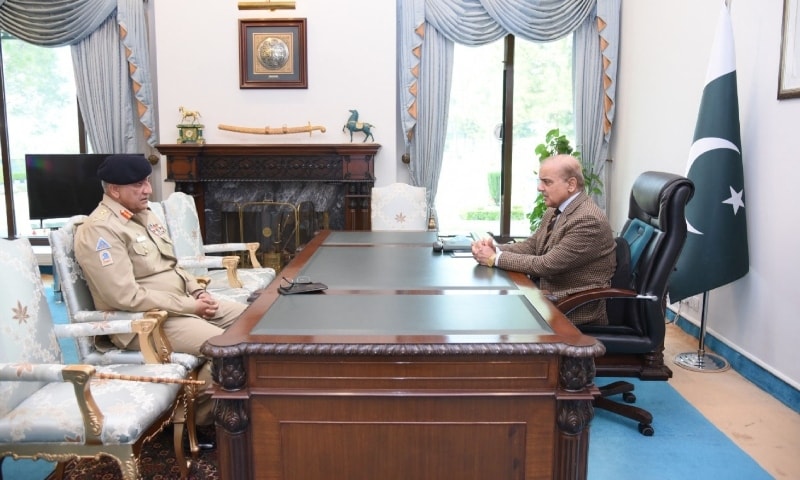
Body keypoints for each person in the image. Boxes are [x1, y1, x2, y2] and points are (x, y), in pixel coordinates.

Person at [73, 153, 246, 439]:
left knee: (253, 323)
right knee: (225, 348)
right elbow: (124, 296)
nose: (148, 190)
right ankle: (198, 419)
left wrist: (197, 289)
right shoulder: (100, 230)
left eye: (147, 182)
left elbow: (172, 264)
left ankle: (239, 400)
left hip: (181, 305)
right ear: (114, 190)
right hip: (144, 321)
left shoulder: (144, 214)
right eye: (138, 185)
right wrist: (190, 305)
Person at [471, 154, 616, 326]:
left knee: (490, 315)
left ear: (571, 184)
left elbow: (546, 265)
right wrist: (496, 248)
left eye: (547, 182)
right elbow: (533, 246)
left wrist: (495, 259)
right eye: (540, 181)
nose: (540, 188)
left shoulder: (588, 220)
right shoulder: (556, 209)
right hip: (547, 296)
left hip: (570, 307)